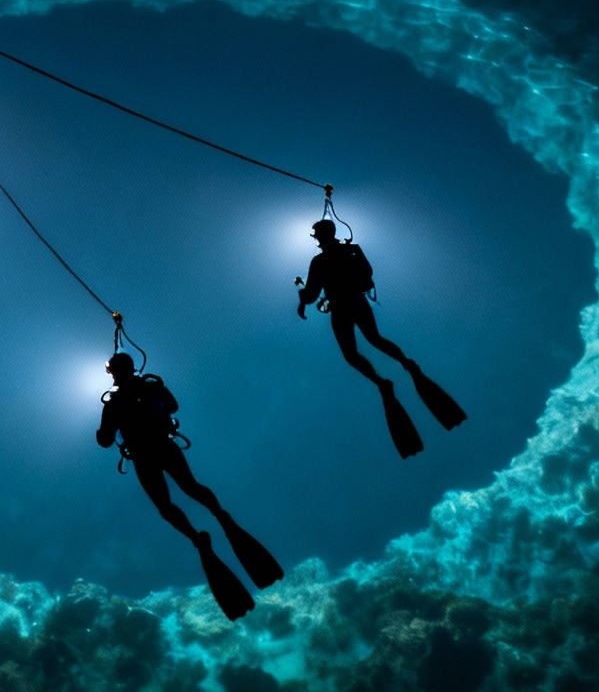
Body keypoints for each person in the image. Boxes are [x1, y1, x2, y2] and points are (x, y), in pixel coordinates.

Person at [96, 352, 280, 618]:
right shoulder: (149, 386)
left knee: (165, 505)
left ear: (112, 372)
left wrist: (107, 429)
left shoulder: (112, 403)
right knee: (192, 487)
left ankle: (197, 538)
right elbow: (173, 406)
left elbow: (104, 440)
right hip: (165, 446)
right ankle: (221, 516)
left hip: (144, 456)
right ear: (132, 367)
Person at [297, 219, 465, 457]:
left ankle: (381, 381)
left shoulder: (320, 261)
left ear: (319, 237)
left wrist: (301, 298)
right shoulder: (350, 250)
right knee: (375, 338)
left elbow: (312, 294)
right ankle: (406, 363)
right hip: (357, 302)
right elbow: (367, 274)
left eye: (316, 236)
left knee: (351, 354)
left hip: (342, 308)